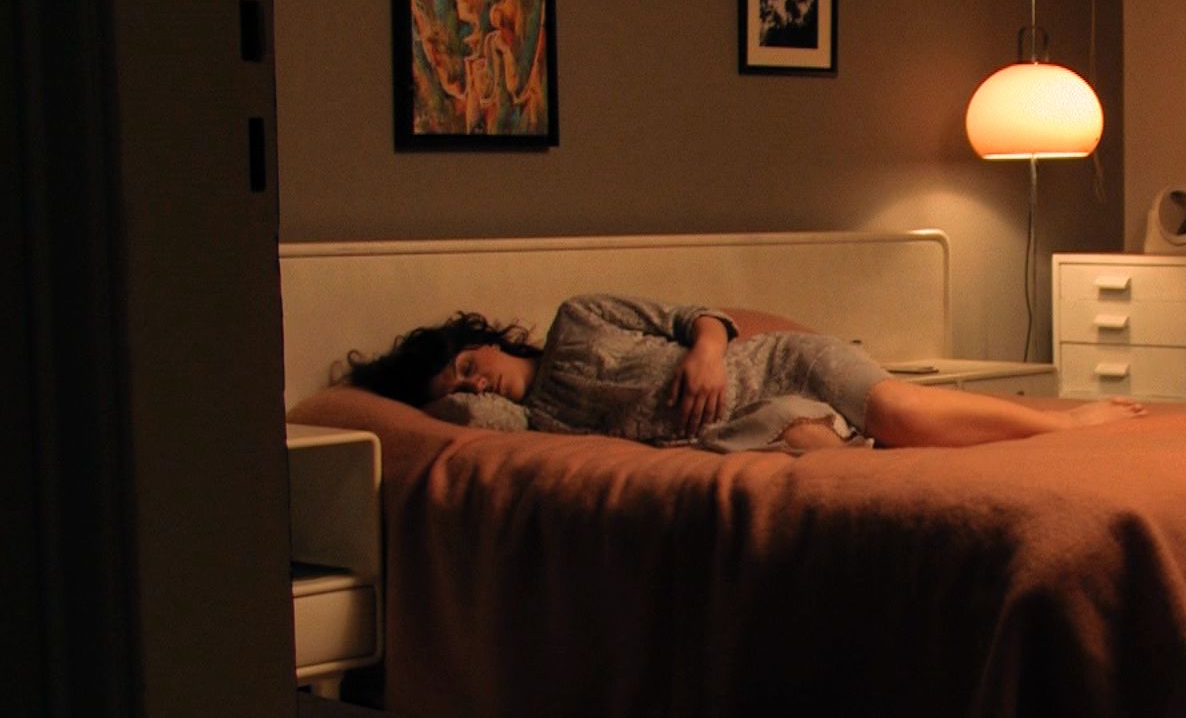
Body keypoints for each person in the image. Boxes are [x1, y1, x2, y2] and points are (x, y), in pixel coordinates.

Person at [346, 293, 1144, 453]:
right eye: (458, 386)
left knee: (902, 413)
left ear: (485, 339)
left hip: (774, 362)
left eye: (467, 364)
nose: (474, 383)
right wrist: (435, 399)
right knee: (822, 462)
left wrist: (705, 354)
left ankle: (1064, 425)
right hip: (740, 427)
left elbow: (703, 316)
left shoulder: (578, 318)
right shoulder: (533, 425)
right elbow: (462, 428)